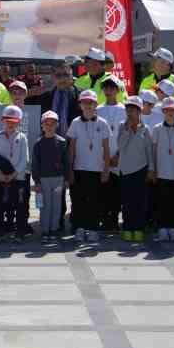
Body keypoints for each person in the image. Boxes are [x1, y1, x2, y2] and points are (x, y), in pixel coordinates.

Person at [67, 89, 114, 244]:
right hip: (79, 168)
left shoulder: (103, 123)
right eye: (84, 102)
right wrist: (70, 170)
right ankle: (80, 228)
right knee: (78, 200)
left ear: (96, 104)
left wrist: (106, 169)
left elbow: (106, 148)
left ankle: (93, 228)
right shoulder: (75, 123)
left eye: (91, 103)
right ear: (80, 105)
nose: (88, 105)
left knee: (95, 201)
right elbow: (72, 147)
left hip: (96, 169)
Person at [113, 101, 153, 243]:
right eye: (128, 110)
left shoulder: (146, 128)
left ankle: (139, 229)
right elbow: (121, 146)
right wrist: (128, 130)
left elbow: (149, 151)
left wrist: (151, 169)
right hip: (126, 170)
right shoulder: (121, 127)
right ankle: (128, 228)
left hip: (141, 169)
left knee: (140, 202)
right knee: (127, 202)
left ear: (139, 111)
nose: (130, 113)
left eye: (133, 110)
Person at [0, 105, 29, 243]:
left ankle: (19, 232)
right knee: (0, 205)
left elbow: (25, 159)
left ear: (19, 122)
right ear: (3, 121)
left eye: (14, 121)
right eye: (7, 121)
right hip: (0, 178)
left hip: (18, 177)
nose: (10, 124)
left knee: (19, 205)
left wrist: (14, 173)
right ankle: (0, 232)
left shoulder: (22, 137)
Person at [148, 98, 174, 241]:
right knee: (162, 201)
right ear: (163, 111)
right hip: (161, 171)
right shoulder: (157, 128)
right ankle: (162, 227)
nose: (171, 112)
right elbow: (153, 150)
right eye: (168, 110)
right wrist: (153, 169)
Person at [32, 111, 69, 241]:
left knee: (56, 205)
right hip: (43, 179)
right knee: (45, 206)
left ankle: (53, 229)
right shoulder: (38, 143)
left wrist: (66, 179)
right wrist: (36, 181)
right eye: (46, 124)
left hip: (58, 179)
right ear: (42, 126)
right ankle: (45, 230)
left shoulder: (62, 142)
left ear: (57, 125)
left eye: (52, 123)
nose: (49, 126)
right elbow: (35, 164)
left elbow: (66, 162)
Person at [30, 65, 82, 133]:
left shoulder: (81, 96)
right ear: (52, 77)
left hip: (74, 141)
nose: (62, 79)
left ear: (71, 77)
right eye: (58, 75)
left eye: (66, 75)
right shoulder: (43, 98)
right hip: (50, 141)